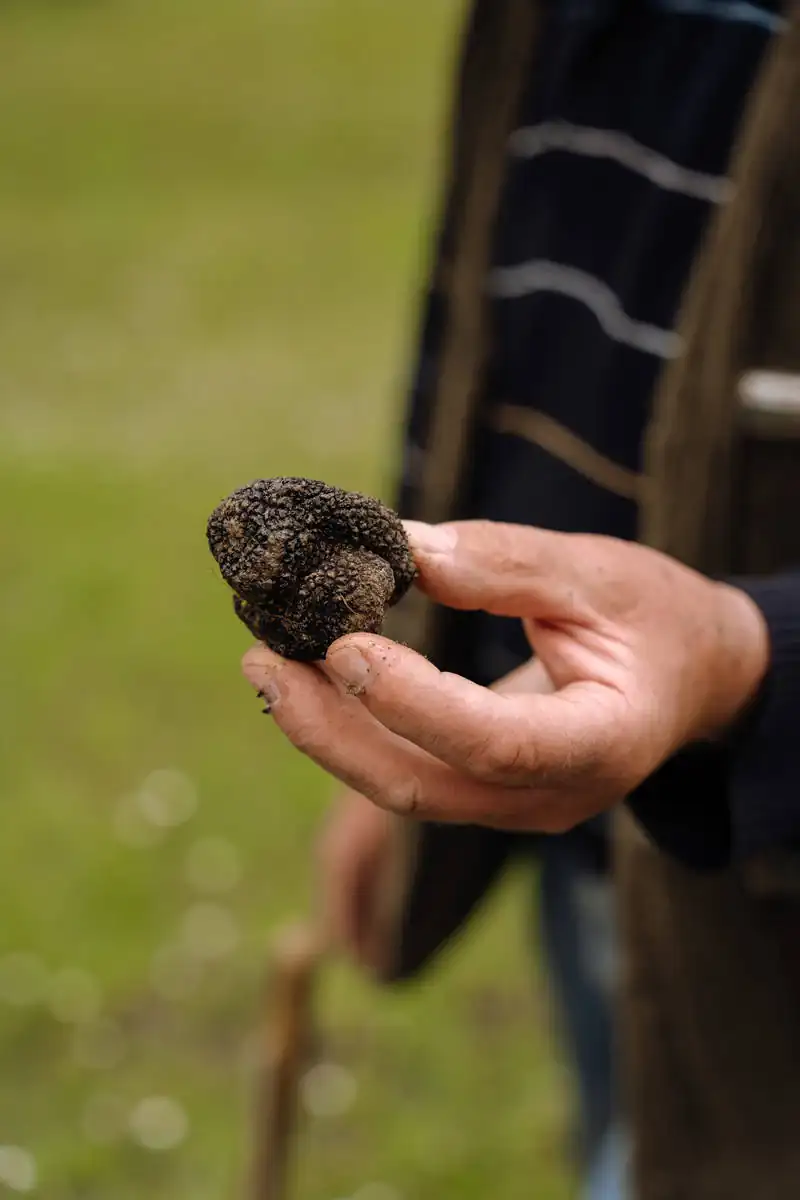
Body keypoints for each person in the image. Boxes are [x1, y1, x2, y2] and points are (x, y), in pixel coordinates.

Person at [244, 1, 800, 1196]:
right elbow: (471, 329)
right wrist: (393, 688)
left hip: (763, 848)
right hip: (552, 788)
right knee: (613, 1102)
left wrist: (748, 651)